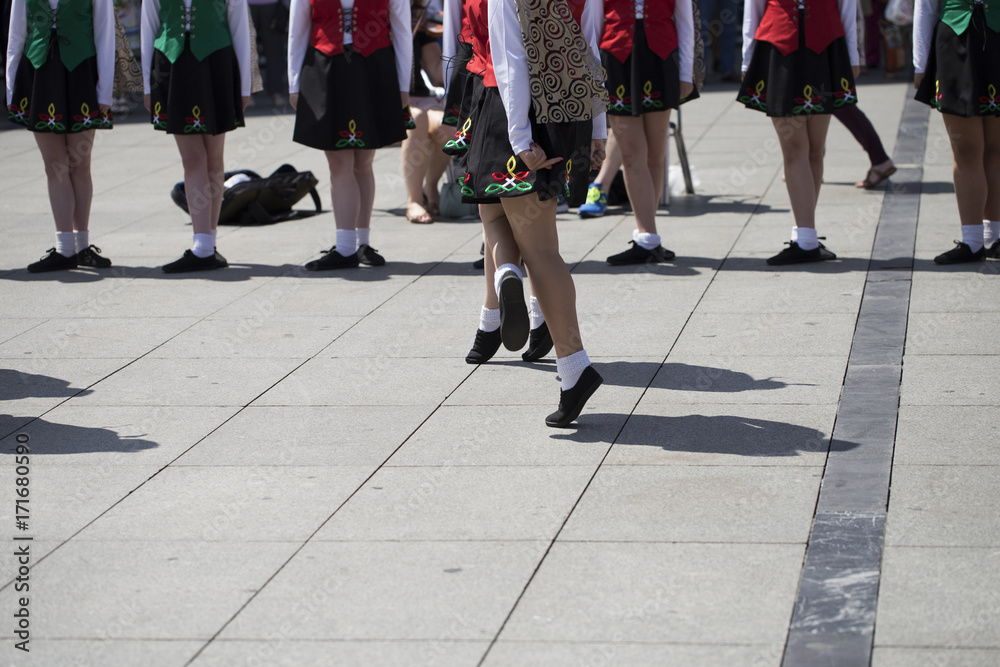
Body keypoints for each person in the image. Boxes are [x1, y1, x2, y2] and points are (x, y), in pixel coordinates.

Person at [463, 0, 606, 426]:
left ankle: (574, 365)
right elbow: (589, 50)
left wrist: (521, 137)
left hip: (509, 110)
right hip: (568, 108)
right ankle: (509, 280)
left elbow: (509, 58)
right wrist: (598, 129)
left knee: (519, 236)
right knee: (534, 239)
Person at [288, 0, 411, 270]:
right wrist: (294, 82)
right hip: (324, 65)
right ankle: (345, 247)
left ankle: (361, 243)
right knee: (338, 160)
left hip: (374, 66)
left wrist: (403, 85)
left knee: (364, 162)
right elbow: (298, 30)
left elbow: (402, 29)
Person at [739, 0, 859, 265]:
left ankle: (806, 235)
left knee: (816, 149)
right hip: (779, 45)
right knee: (795, 150)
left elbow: (848, 5)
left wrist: (852, 55)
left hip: (826, 44)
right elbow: (753, 8)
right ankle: (806, 238)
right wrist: (747, 59)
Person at [141, 0, 251, 273]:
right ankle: (202, 246)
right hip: (171, 64)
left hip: (217, 62)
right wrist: (147, 83)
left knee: (214, 159)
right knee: (192, 159)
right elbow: (149, 26)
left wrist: (245, 84)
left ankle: (207, 244)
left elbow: (239, 25)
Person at [7, 0, 115, 272]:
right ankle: (64, 247)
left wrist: (104, 90)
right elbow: (17, 33)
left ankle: (81, 246)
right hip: (38, 73)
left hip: (81, 72)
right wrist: (12, 88)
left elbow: (104, 34)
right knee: (55, 165)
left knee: (80, 164)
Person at [598, 0, 697, 266]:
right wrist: (592, 72)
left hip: (661, 57)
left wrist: (687, 72)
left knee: (656, 153)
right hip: (616, 58)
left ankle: (650, 236)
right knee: (631, 154)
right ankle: (647, 236)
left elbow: (685, 21)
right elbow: (593, 21)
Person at [914, 0, 1000, 264]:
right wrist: (919, 64)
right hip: (954, 40)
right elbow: (925, 7)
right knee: (966, 150)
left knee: (996, 149)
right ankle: (972, 240)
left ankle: (994, 236)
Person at [401, 0, 451, 224]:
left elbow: (437, 73)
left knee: (448, 126)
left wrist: (454, 34)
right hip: (386, 99)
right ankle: (414, 199)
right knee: (416, 119)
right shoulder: (376, 20)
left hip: (419, 96)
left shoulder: (418, 21)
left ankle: (430, 186)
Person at [248, 0, 288, 106]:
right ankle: (248, 92)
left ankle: (276, 92)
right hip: (246, 5)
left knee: (275, 51)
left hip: (272, 5)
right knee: (248, 51)